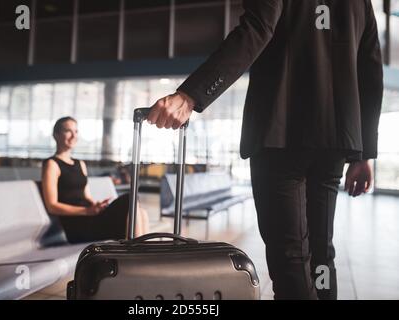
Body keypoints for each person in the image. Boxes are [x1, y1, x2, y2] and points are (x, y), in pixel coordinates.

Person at [147, 0, 383, 300]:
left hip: (281, 132)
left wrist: (190, 95)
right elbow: (370, 67)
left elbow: (256, 30)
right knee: (321, 254)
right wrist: (365, 154)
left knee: (290, 257)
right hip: (334, 141)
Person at [42, 117, 149, 244]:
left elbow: (86, 196)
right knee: (129, 200)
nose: (73, 135)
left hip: (90, 217)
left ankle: (141, 251)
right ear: (56, 135)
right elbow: (52, 206)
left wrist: (97, 206)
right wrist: (86, 211)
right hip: (77, 224)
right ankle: (136, 255)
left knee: (140, 210)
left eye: (76, 131)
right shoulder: (52, 164)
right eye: (68, 131)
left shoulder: (80, 164)